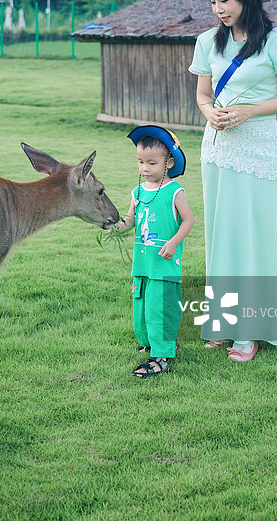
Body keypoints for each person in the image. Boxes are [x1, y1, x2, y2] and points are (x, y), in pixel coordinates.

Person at [188, 0, 277, 362]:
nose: (219, 8)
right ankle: (219, 321)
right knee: (222, 235)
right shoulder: (207, 41)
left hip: (257, 149)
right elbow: (203, 96)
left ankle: (249, 331)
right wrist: (209, 113)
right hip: (217, 148)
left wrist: (249, 110)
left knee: (253, 236)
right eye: (214, 1)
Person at [117, 126, 194, 377]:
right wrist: (115, 226)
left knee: (160, 308)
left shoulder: (175, 191)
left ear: (168, 162)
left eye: (152, 162)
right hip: (142, 265)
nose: (145, 168)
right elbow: (131, 220)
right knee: (141, 308)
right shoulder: (137, 192)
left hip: (164, 266)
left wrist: (173, 243)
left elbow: (188, 221)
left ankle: (161, 357)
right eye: (140, 162)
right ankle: (150, 343)